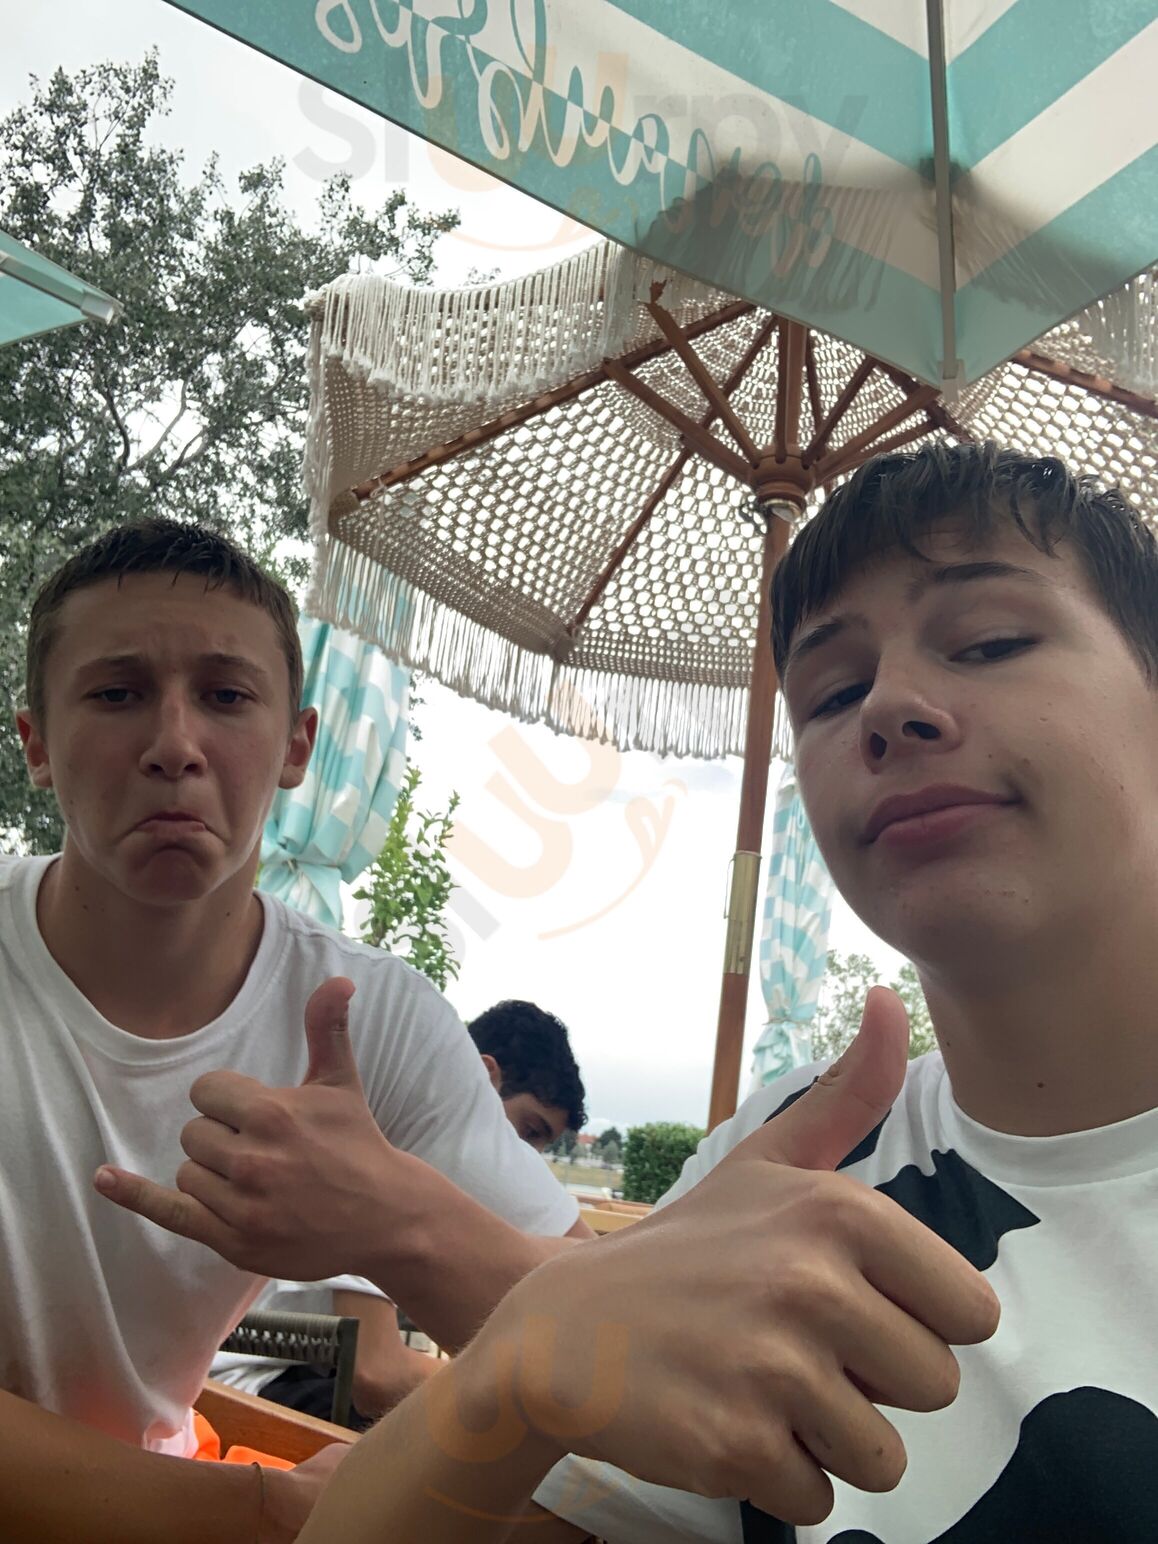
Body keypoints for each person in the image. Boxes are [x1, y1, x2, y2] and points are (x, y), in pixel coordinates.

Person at [147, 441, 1156, 1543]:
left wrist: (413, 1233)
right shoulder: (778, 1164)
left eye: (992, 641)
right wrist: (517, 1367)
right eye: (831, 691)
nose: (890, 706)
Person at [0, 520, 592, 1542]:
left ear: (296, 747)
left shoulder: (367, 1020)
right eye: (117, 693)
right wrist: (265, 1506)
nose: (175, 745)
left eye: (227, 696)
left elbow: (597, 1347)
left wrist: (396, 1220)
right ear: (37, 744)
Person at [211, 1000, 587, 1424]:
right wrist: (520, 1394)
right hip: (261, 1384)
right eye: (528, 1131)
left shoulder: (410, 1176)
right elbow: (377, 1376)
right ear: (481, 1080)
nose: (528, 1158)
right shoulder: (379, 1165)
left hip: (300, 1373)